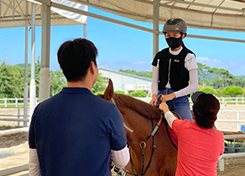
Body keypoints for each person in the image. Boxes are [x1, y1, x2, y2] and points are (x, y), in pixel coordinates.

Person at [29, 38, 130, 176]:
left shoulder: (40, 110)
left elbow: (35, 167)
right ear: (92, 67)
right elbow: (122, 161)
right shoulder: (108, 110)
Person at [159, 91, 225, 176]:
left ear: (193, 113)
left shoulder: (183, 128)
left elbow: (170, 119)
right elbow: (219, 155)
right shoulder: (219, 136)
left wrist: (165, 108)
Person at [150, 18, 198, 121]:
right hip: (161, 97)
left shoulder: (189, 56)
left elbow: (194, 86)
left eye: (175, 35)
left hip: (180, 100)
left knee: (187, 128)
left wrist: (172, 96)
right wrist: (154, 95)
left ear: (183, 36)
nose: (171, 38)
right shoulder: (160, 55)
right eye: (168, 35)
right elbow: (155, 80)